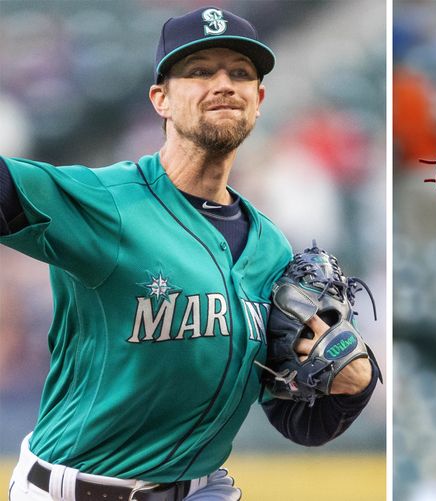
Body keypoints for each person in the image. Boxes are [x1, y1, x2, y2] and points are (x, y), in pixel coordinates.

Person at [0, 6, 379, 500]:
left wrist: (352, 385)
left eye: (240, 73)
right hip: (77, 488)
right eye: (200, 71)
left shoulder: (270, 248)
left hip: (203, 489)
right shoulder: (106, 202)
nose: (223, 83)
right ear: (160, 99)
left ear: (259, 99)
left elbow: (298, 420)